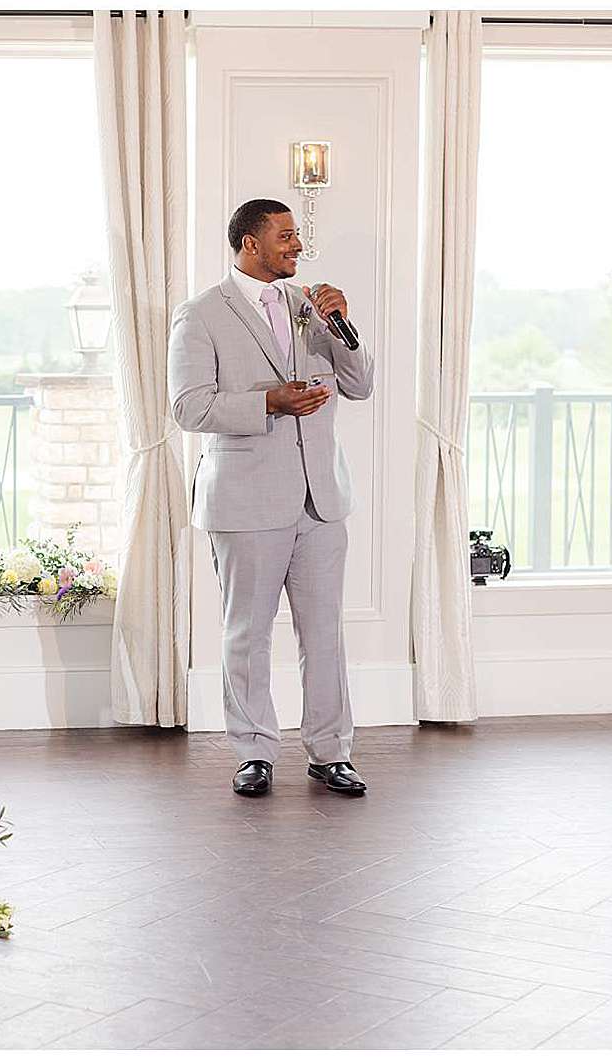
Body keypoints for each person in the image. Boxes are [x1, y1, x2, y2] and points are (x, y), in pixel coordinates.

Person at [167, 198, 375, 798]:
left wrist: (345, 325)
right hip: (245, 500)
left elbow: (360, 385)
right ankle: (254, 751)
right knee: (247, 632)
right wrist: (268, 402)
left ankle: (331, 752)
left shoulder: (313, 306)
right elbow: (188, 407)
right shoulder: (201, 315)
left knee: (324, 631)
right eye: (285, 236)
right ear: (249, 243)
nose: (297, 247)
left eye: (297, 236)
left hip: (321, 500)